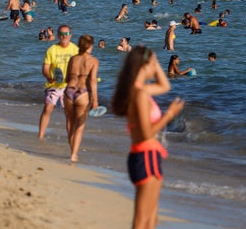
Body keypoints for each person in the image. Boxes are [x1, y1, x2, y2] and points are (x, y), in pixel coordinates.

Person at [111, 46, 185, 229]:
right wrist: (169, 115)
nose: (155, 68)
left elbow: (165, 86)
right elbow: (146, 133)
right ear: (144, 65)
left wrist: (154, 60)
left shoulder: (135, 90)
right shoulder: (141, 94)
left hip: (142, 155)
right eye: (153, 64)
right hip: (146, 156)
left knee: (151, 219)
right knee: (143, 220)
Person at [63, 34, 99, 162]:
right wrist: (95, 101)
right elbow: (93, 81)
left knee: (70, 123)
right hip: (82, 93)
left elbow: (67, 78)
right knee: (79, 126)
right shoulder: (93, 61)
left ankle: (72, 147)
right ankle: (73, 154)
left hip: (69, 92)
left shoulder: (73, 59)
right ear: (90, 46)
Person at [38, 25, 78, 139]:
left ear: (70, 35)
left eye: (66, 34)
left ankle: (71, 137)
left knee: (69, 113)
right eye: (61, 34)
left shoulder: (75, 49)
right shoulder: (52, 49)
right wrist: (49, 76)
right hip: (54, 85)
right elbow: (45, 67)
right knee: (48, 108)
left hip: (69, 87)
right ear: (57, 35)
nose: (63, 36)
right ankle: (40, 136)